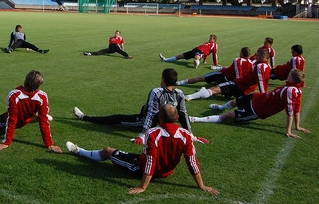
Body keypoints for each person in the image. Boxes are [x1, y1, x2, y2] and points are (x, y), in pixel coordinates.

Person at [66, 104, 219, 195]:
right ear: (177, 118)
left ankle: (79, 151)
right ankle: (80, 151)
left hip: (141, 167)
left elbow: (151, 161)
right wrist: (202, 185)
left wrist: (142, 186)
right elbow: (192, 161)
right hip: (166, 171)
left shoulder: (154, 133)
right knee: (133, 155)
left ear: (159, 119)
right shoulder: (186, 135)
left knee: (108, 151)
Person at [73, 68, 207, 144]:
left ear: (163, 80)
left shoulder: (157, 92)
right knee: (120, 118)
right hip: (165, 126)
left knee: (117, 118)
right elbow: (183, 114)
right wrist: (191, 134)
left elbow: (151, 114)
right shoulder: (180, 93)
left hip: (145, 122)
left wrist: (143, 135)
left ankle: (84, 118)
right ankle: (84, 117)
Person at [191, 69, 310, 139]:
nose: (287, 76)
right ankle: (220, 107)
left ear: (293, 79)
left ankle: (196, 119)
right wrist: (297, 127)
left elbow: (292, 110)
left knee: (228, 116)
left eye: (289, 75)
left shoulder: (291, 91)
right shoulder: (292, 88)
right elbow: (296, 109)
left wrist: (290, 130)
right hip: (256, 98)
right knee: (234, 102)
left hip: (257, 109)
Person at [184, 48, 270, 101]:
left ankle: (189, 96)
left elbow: (260, 81)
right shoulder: (267, 67)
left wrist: (263, 96)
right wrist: (263, 93)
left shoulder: (258, 66)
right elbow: (264, 82)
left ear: (262, 56)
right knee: (234, 103)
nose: (256, 56)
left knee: (214, 89)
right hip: (245, 91)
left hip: (237, 84)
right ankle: (220, 107)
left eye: (258, 55)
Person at [176, 47, 253, 86]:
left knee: (202, 78)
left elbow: (234, 71)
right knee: (214, 85)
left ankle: (180, 82)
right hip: (230, 80)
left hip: (223, 75)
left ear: (242, 53)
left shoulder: (238, 60)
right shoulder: (251, 63)